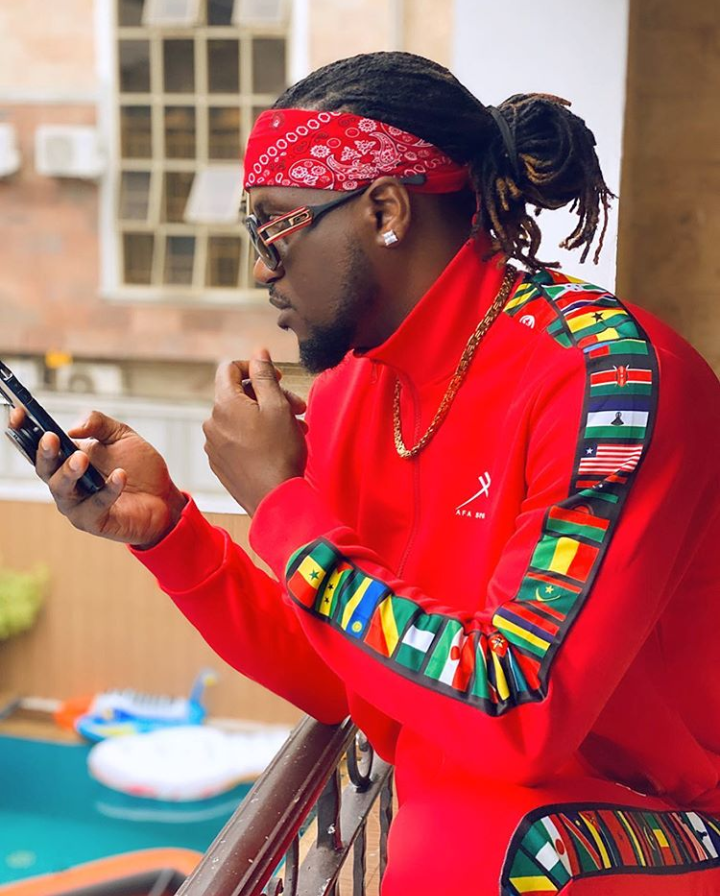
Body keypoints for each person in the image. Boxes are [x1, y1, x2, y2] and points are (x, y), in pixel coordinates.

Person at [15, 52, 720, 895]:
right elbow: (349, 680)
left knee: (470, 838)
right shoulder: (354, 392)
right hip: (488, 814)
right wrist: (169, 531)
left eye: (274, 227)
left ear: (385, 210)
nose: (262, 268)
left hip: (674, 820)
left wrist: (281, 505)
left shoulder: (609, 387)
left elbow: (515, 707)